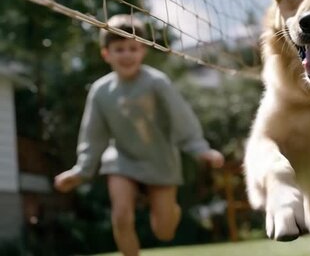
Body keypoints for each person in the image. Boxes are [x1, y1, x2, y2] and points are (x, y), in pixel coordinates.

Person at [54, 14, 225, 256]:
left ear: (143, 51)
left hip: (161, 159)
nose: (127, 55)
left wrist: (200, 149)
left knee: (164, 231)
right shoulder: (101, 91)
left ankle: (170, 211)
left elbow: (182, 118)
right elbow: (93, 135)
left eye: (133, 48)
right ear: (106, 54)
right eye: (119, 49)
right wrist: (82, 170)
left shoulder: (157, 82)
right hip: (122, 158)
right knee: (121, 216)